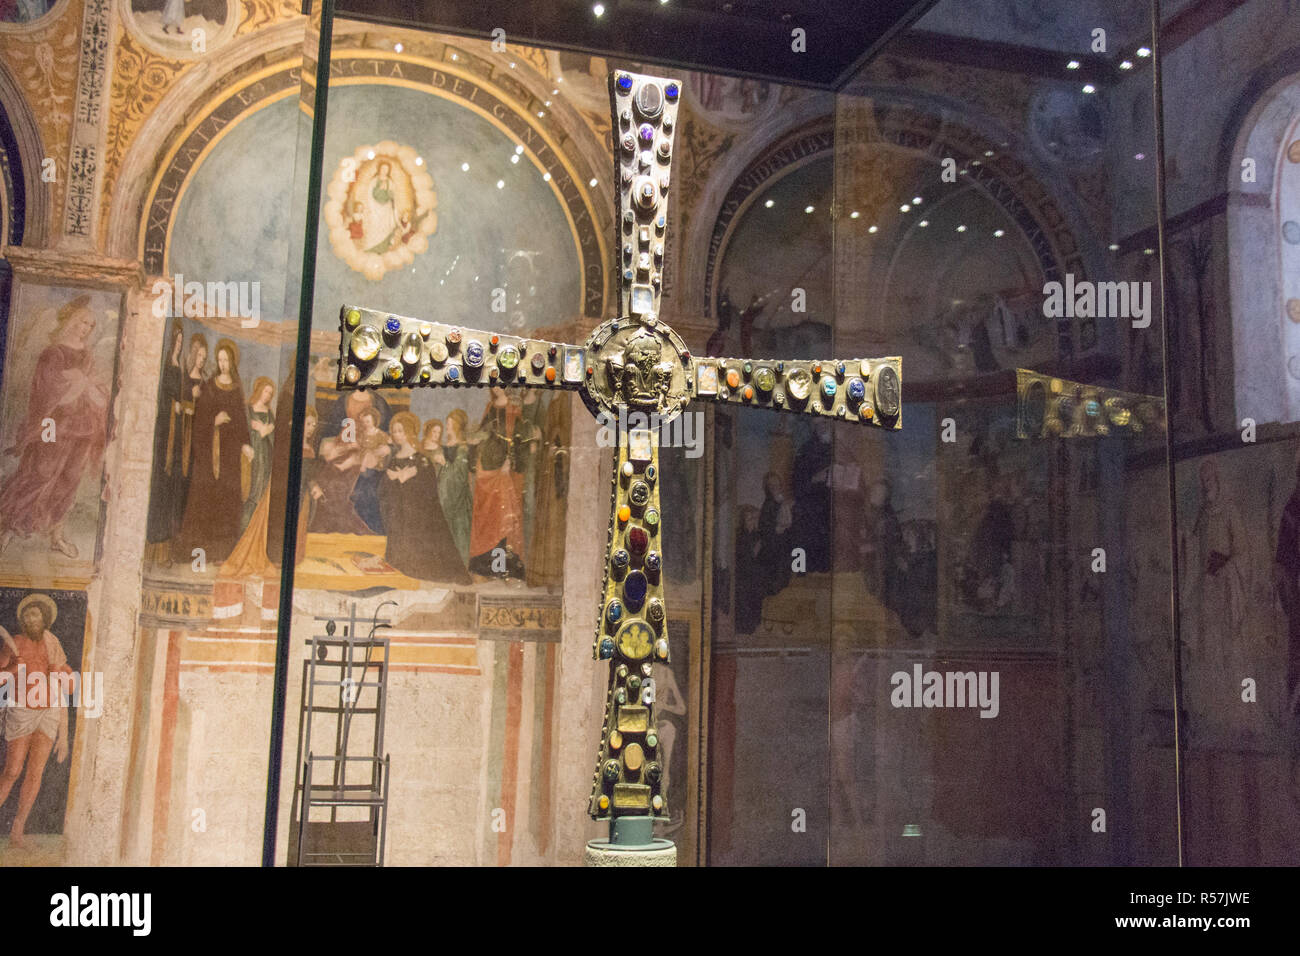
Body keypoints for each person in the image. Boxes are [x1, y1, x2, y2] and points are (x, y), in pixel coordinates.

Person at [0, 295, 109, 559]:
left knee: (70, 480)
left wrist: (82, 383)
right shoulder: (54, 353)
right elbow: (50, 396)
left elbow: (97, 392)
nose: (86, 329)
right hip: (52, 426)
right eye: (83, 322)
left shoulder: (86, 356)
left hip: (82, 427)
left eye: (90, 326)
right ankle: (5, 529)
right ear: (71, 320)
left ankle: (56, 535)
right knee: (40, 473)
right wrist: (79, 385)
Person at [0, 594, 72, 847]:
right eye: (28, 615)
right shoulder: (15, 643)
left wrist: (59, 674)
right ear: (22, 619)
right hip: (22, 711)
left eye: (36, 614)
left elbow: (69, 688)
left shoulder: (53, 643)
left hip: (49, 712)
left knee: (35, 773)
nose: (32, 618)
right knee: (12, 771)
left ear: (45, 618)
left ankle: (17, 830)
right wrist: (13, 669)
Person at [173, 339, 252, 565]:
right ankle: (199, 551)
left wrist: (246, 444)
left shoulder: (237, 389)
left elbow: (241, 421)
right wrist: (214, 421)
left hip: (229, 455)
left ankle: (221, 554)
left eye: (226, 360)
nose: (223, 364)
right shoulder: (209, 386)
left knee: (228, 499)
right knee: (206, 498)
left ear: (233, 361)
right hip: (209, 455)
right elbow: (199, 421)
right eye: (220, 360)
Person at [378, 413, 469, 582]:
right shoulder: (394, 459)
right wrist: (393, 479)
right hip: (398, 513)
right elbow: (384, 489)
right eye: (394, 431)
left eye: (400, 431)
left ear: (409, 432)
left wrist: (408, 477)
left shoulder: (421, 459)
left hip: (417, 515)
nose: (396, 434)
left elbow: (428, 489)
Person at [468, 389, 527, 577]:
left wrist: (508, 462)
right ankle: (485, 566)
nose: (496, 387)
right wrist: (474, 441)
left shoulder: (514, 408)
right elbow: (484, 433)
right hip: (487, 465)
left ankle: (504, 568)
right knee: (488, 515)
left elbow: (516, 437)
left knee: (503, 514)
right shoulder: (490, 407)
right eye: (493, 384)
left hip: (502, 469)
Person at [145, 322, 187, 562]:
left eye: (182, 342)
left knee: (173, 485)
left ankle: (168, 540)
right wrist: (174, 406)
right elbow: (163, 397)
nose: (179, 346)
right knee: (162, 480)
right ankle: (156, 536)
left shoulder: (178, 365)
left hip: (177, 431)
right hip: (166, 434)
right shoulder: (167, 366)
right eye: (177, 342)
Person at [438, 409, 473, 567]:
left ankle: (461, 567)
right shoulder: (447, 445)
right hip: (444, 493)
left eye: (451, 424)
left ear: (458, 427)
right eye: (447, 423)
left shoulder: (463, 448)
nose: (447, 427)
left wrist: (443, 463)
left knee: (459, 532)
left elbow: (459, 475)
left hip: (457, 497)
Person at [241, 378, 275, 532]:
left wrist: (264, 430)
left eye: (270, 393)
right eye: (266, 391)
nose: (267, 395)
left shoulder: (269, 413)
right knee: (251, 492)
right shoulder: (248, 410)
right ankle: (244, 533)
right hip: (252, 456)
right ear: (259, 390)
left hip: (266, 456)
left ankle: (256, 534)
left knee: (262, 492)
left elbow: (273, 434)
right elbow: (244, 433)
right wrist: (262, 431)